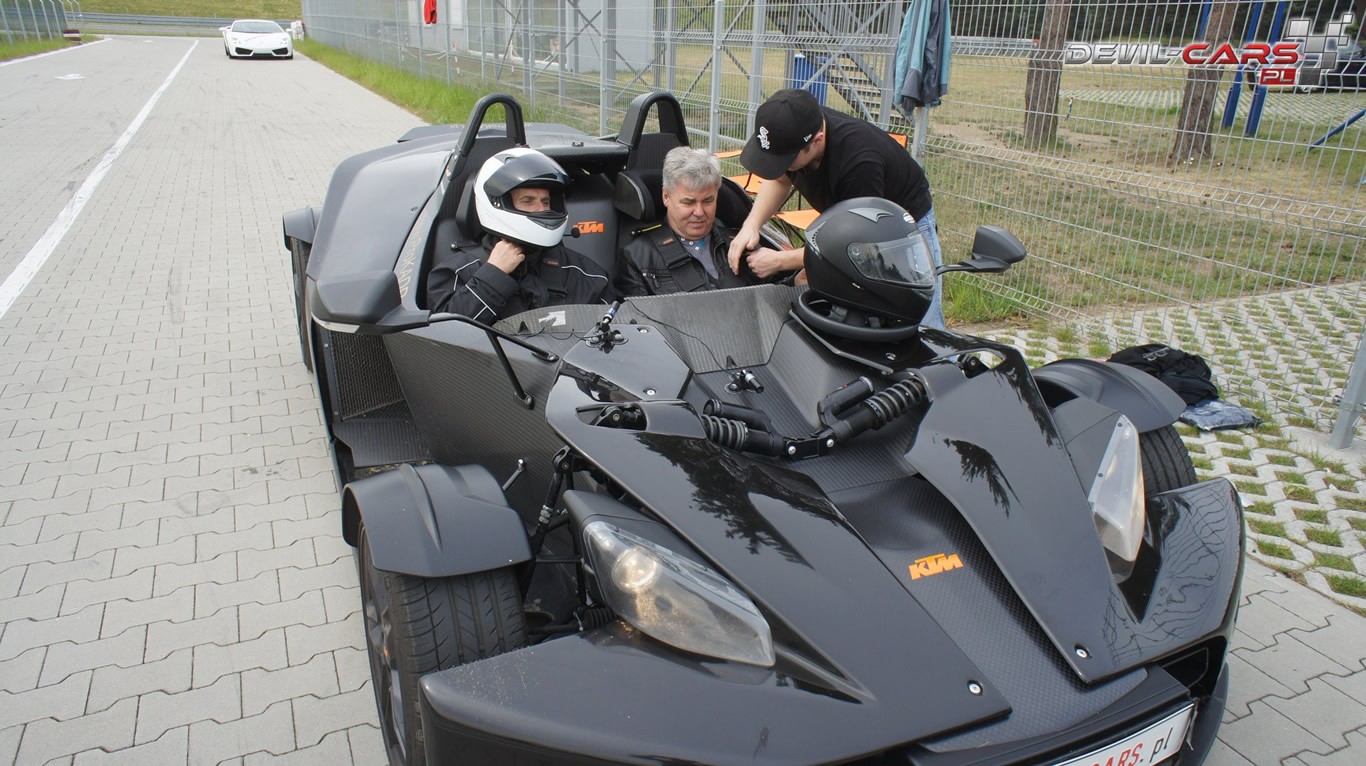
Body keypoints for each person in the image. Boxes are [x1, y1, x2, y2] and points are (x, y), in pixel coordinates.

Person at [726, 88, 946, 329]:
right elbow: (780, 180)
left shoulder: (859, 163)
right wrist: (751, 226)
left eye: (784, 160)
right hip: (851, 221)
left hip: (902, 231)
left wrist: (780, 261)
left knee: (921, 319)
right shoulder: (795, 128)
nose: (779, 166)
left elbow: (856, 248)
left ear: (817, 140)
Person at [427, 147, 615, 321]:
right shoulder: (460, 272)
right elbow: (447, 333)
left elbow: (615, 330)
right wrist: (493, 274)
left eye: (546, 201)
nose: (541, 209)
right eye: (528, 201)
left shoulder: (585, 274)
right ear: (498, 202)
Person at [617, 147, 791, 296]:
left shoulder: (740, 244)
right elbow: (635, 320)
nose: (699, 212)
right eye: (688, 202)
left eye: (708, 201)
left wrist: (794, 282)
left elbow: (775, 298)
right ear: (666, 197)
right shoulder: (638, 257)